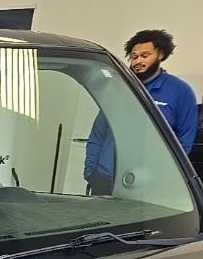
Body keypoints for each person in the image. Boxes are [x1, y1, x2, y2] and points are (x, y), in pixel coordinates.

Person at [84, 29, 198, 195]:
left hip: (149, 186)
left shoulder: (180, 91)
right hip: (106, 179)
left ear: (160, 54)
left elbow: (184, 143)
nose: (138, 61)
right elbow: (98, 134)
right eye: (134, 56)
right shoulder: (117, 89)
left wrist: (164, 177)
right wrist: (90, 172)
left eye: (145, 55)